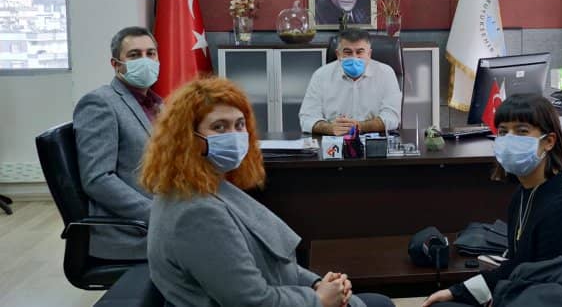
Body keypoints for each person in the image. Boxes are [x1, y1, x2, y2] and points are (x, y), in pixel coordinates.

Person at [140, 77, 395, 307]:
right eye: (219, 127)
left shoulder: (206, 185)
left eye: (240, 125)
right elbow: (251, 301)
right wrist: (318, 300)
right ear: (187, 138)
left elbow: (273, 265)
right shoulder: (198, 213)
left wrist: (317, 283)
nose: (234, 136)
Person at [423, 94, 562, 306]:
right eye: (503, 132)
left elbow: (550, 285)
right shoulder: (524, 193)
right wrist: (458, 291)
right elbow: (520, 265)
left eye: (522, 131)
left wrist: (497, 295)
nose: (509, 140)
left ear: (549, 141)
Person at [73, 26, 162, 260]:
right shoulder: (100, 103)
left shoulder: (157, 104)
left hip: (169, 211)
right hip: (134, 230)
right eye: (134, 55)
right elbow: (98, 179)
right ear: (116, 64)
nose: (145, 60)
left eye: (150, 53)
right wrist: (159, 215)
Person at [299, 29, 401, 135]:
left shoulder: (385, 73)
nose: (354, 58)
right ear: (338, 54)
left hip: (372, 138)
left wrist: (360, 126)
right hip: (334, 139)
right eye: (348, 52)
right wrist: (329, 128)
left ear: (369, 54)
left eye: (359, 52)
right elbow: (307, 118)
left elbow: (392, 117)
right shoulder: (321, 75)